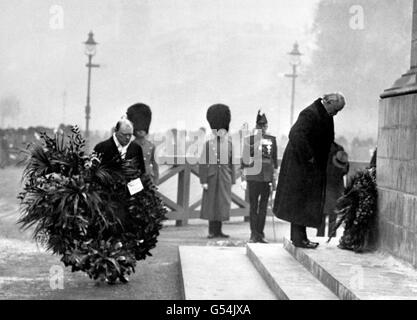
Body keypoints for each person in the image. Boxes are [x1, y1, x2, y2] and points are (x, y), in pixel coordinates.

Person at [273, 93, 346, 249]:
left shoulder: (323, 112)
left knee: (302, 202)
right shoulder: (310, 113)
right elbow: (295, 134)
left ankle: (300, 237)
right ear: (329, 102)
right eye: (336, 109)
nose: (336, 113)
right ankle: (299, 239)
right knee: (301, 202)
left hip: (308, 166)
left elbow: (325, 139)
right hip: (301, 166)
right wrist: (310, 157)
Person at [199, 104, 236, 239]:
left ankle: (219, 230)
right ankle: (212, 231)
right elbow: (202, 164)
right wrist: (203, 180)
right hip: (212, 177)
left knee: (222, 204)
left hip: (224, 178)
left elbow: (232, 164)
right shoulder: (208, 145)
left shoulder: (230, 144)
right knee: (211, 204)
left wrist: (232, 179)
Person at [241, 110, 278, 243]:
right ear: (257, 126)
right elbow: (244, 161)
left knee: (262, 207)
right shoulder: (250, 140)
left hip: (265, 178)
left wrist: (274, 180)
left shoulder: (271, 140)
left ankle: (260, 234)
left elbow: (274, 162)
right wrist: (243, 179)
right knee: (255, 206)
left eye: (264, 126)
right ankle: (254, 234)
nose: (263, 128)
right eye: (261, 125)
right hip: (254, 177)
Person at [317, 142, 349, 237]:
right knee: (333, 218)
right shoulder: (340, 149)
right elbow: (345, 170)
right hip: (334, 188)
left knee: (322, 218)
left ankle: (321, 237)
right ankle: (330, 237)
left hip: (326, 187)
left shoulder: (323, 147)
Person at [126, 103, 159, 184]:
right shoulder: (129, 146)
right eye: (138, 129)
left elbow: (155, 166)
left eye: (143, 128)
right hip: (134, 180)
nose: (141, 131)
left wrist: (156, 181)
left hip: (148, 180)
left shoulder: (151, 146)